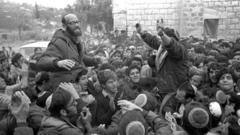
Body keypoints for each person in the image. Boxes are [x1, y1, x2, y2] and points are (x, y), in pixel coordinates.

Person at [37, 13, 100, 90]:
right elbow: (42, 61)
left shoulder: (76, 41)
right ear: (64, 26)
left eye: (77, 22)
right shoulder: (58, 42)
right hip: (64, 90)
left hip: (77, 86)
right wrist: (57, 63)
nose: (76, 25)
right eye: (72, 23)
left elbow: (78, 59)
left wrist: (94, 60)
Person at [136, 23, 189, 100]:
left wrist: (162, 35)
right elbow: (153, 41)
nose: (161, 41)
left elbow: (172, 46)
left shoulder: (180, 50)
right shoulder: (163, 47)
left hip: (175, 90)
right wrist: (142, 33)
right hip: (163, 88)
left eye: (163, 38)